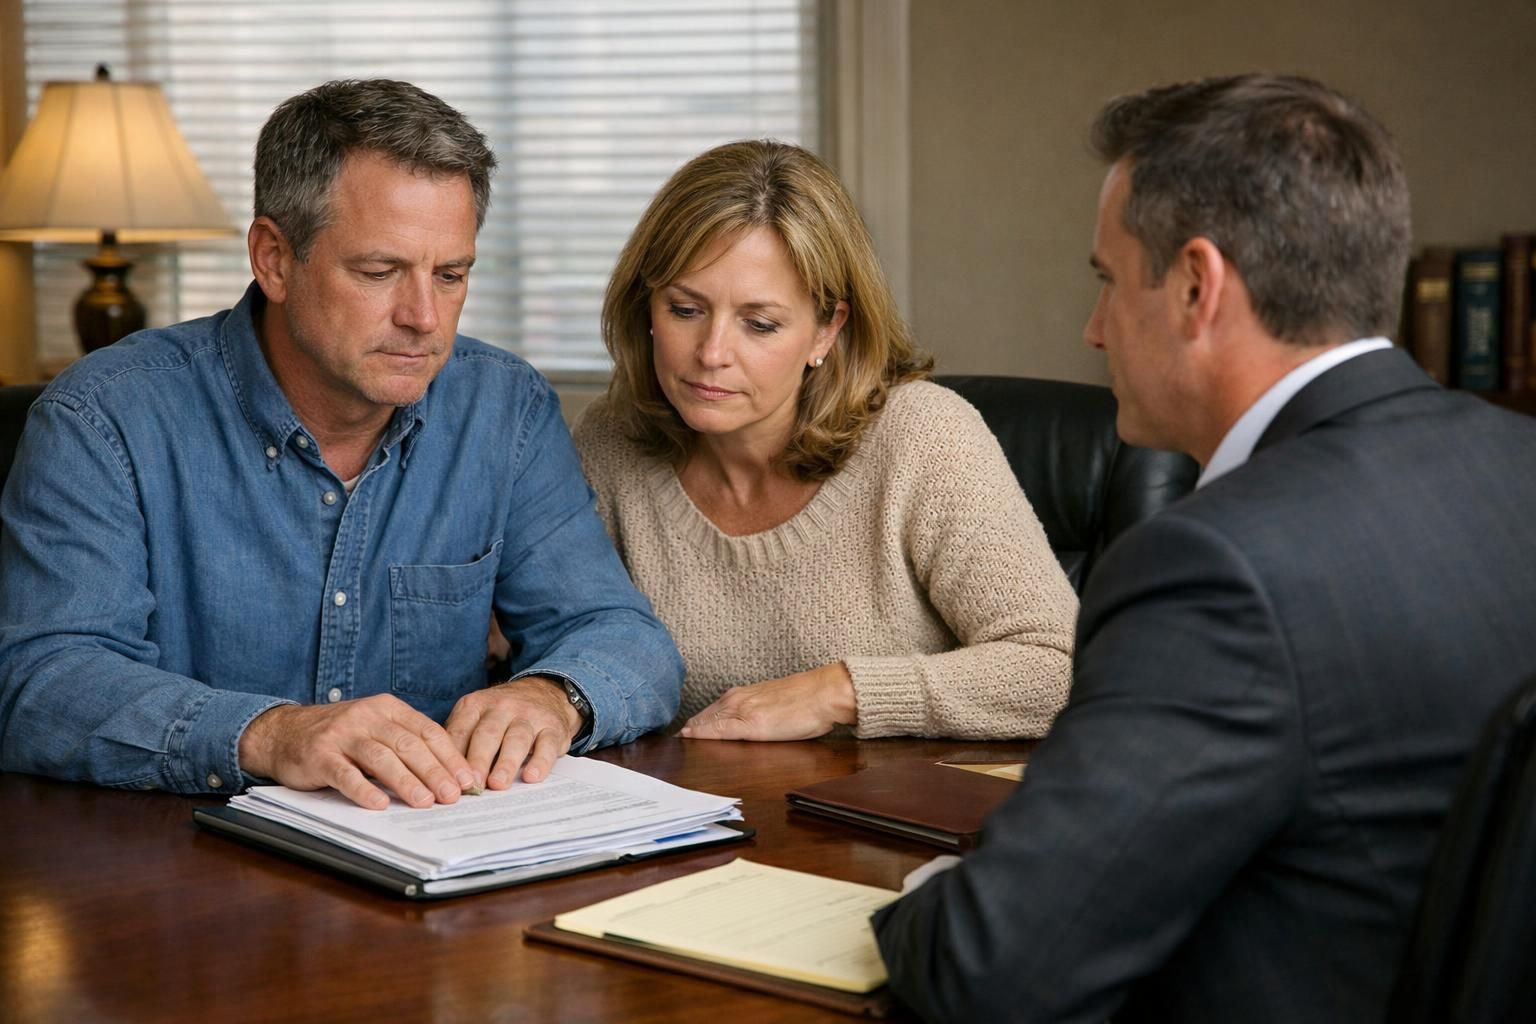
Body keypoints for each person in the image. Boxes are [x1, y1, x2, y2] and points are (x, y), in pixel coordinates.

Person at [873, 73, 1536, 1022]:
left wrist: (929, 893)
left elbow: (993, 972)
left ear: (1196, 286)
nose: (1092, 331)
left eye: (1106, 281)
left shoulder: (1214, 569)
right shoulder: (1522, 464)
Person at [0, 79, 683, 810]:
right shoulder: (104, 417)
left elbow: (620, 635)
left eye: (450, 275)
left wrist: (556, 695)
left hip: (429, 863)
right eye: (379, 272)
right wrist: (270, 734)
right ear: (274, 258)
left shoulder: (504, 408)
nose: (425, 317)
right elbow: (42, 680)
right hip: (176, 873)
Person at [572, 140, 1077, 742]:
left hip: (889, 821)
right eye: (685, 309)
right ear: (646, 308)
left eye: (760, 324)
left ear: (827, 329)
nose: (711, 354)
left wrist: (841, 691)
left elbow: (1062, 671)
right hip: (693, 824)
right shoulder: (609, 442)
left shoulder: (924, 437)